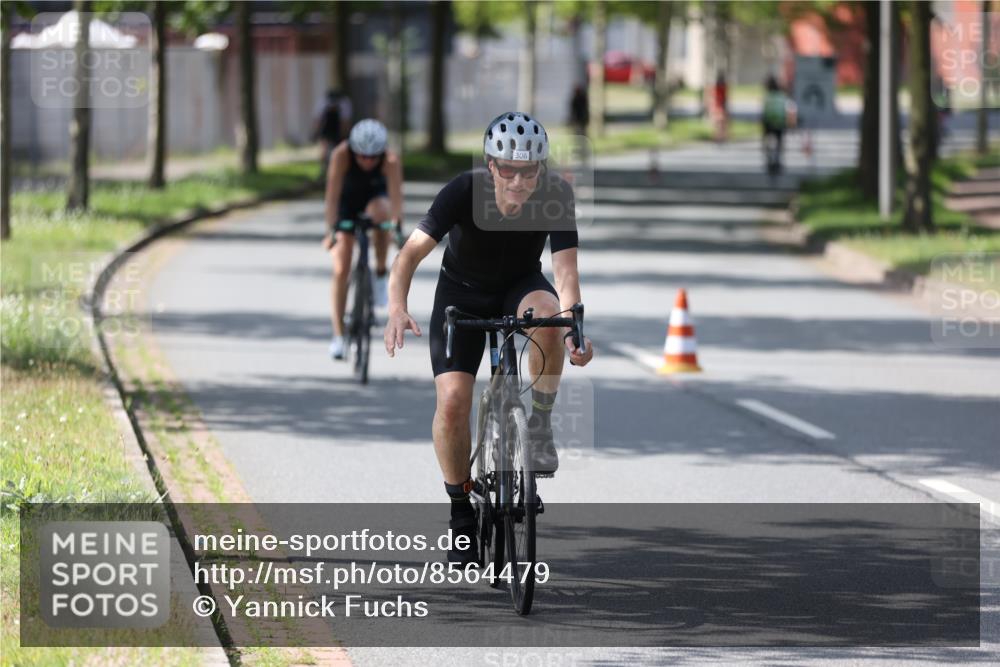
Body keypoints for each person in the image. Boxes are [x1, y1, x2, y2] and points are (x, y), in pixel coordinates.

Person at [383, 112, 594, 565]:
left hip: (521, 284)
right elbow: (409, 255)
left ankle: (538, 422)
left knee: (549, 318)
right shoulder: (463, 190)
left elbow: (566, 273)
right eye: (508, 170)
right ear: (491, 166)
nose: (519, 181)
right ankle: (461, 513)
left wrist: (575, 327)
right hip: (461, 293)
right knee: (454, 402)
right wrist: (397, 307)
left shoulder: (555, 193)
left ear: (541, 170)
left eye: (529, 171)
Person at [323, 119, 403, 360]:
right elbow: (332, 197)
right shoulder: (341, 155)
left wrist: (397, 228)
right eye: (362, 156)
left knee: (382, 214)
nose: (367, 161)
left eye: (373, 157)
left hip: (375, 200)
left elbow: (396, 200)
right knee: (340, 266)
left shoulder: (390, 160)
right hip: (347, 203)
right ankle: (338, 336)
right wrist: (330, 232)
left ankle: (379, 272)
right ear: (353, 150)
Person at [313, 89, 352, 182]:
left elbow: (317, 120)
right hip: (331, 129)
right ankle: (327, 170)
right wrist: (345, 134)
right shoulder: (344, 102)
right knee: (329, 150)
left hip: (331, 129)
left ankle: (328, 170)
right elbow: (345, 121)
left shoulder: (324, 101)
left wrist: (316, 132)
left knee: (326, 150)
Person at [762, 75, 796, 174]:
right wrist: (792, 124)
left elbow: (765, 111)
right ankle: (778, 158)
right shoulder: (783, 96)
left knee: (766, 140)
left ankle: (768, 156)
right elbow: (790, 110)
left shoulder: (767, 97)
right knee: (780, 141)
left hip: (768, 123)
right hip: (780, 123)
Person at [712, 71, 729, 142]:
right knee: (722, 122)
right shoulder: (723, 87)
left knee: (718, 122)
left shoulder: (716, 87)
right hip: (721, 105)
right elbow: (725, 97)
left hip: (717, 105)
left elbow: (713, 97)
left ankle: (718, 136)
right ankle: (721, 136)